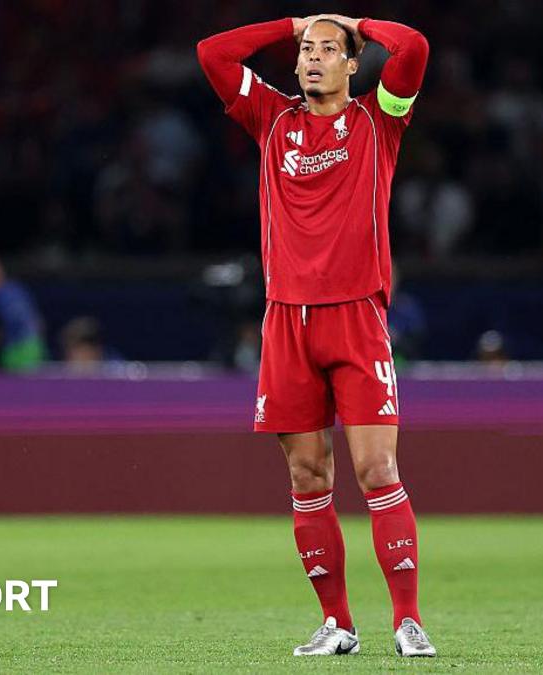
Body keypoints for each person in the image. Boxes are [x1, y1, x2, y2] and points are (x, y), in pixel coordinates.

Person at [198, 14, 434, 657]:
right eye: (306, 49)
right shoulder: (271, 118)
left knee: (376, 468)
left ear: (352, 64)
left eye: (329, 50)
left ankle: (408, 620)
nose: (313, 57)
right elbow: (213, 53)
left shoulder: (379, 119)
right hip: (286, 321)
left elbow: (413, 47)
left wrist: (356, 23)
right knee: (307, 475)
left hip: (356, 317)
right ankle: (337, 624)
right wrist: (291, 23)